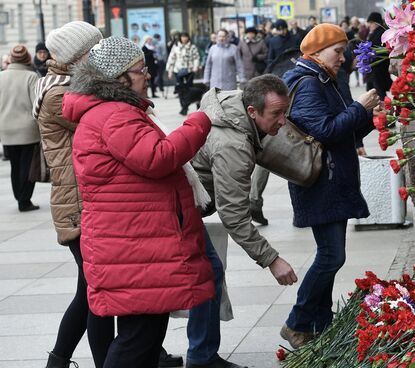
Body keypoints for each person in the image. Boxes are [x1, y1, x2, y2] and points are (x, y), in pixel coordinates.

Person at [62, 36, 215, 367]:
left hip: (135, 240)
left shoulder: (112, 111)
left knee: (144, 336)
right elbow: (158, 158)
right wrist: (201, 120)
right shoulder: (116, 115)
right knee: (138, 339)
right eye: (139, 69)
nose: (147, 74)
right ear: (119, 78)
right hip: (135, 244)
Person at [280, 24, 380, 348]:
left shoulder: (328, 78)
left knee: (331, 254)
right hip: (320, 182)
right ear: (318, 51)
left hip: (332, 180)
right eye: (337, 51)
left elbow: (346, 128)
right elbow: (324, 129)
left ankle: (318, 325)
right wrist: (358, 109)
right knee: (331, 255)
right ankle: (298, 321)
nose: (343, 57)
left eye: (343, 50)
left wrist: (369, 116)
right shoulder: (309, 83)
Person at [191, 77, 299, 360]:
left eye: (284, 111)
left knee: (196, 275)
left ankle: (171, 352)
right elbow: (234, 215)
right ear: (252, 111)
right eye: (275, 114)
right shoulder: (233, 145)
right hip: (176, 209)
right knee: (207, 272)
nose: (283, 121)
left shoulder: (231, 105)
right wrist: (272, 260)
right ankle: (201, 358)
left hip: (179, 203)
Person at [33, 21, 115, 368]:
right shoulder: (59, 94)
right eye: (94, 49)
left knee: (93, 291)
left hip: (84, 200)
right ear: (77, 56)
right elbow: (108, 121)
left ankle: (66, 360)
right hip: (77, 204)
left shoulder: (72, 85)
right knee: (94, 293)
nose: (100, 55)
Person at [0, 45, 41, 212]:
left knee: (15, 165)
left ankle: (19, 196)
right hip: (27, 130)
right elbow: (36, 104)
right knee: (28, 165)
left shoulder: (1, 76)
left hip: (6, 129)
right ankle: (24, 200)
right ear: (27, 59)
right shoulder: (31, 77)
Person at [167, 31, 200, 115]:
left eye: (186, 37)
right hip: (178, 70)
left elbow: (196, 57)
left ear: (188, 38)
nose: (184, 38)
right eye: (182, 37)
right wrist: (170, 71)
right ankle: (183, 108)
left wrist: (196, 66)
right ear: (180, 38)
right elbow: (171, 58)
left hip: (189, 70)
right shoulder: (176, 46)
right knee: (180, 91)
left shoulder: (192, 47)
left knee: (189, 90)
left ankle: (196, 106)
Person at [365, 12, 392, 99]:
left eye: (370, 23)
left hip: (379, 68)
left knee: (379, 93)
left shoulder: (381, 33)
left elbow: (379, 50)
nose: (369, 25)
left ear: (376, 23)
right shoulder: (375, 33)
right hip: (375, 69)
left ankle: (384, 108)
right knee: (376, 92)